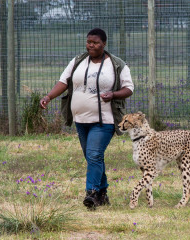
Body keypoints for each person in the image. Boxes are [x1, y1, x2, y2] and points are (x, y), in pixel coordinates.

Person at [40, 28, 134, 210]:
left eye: (96, 42)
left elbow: (129, 88)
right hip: (80, 119)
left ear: (104, 44)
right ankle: (103, 193)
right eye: (89, 42)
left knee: (94, 155)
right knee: (92, 158)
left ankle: (91, 194)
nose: (91, 45)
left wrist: (114, 94)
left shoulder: (116, 64)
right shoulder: (78, 61)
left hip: (104, 120)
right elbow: (63, 82)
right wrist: (48, 97)